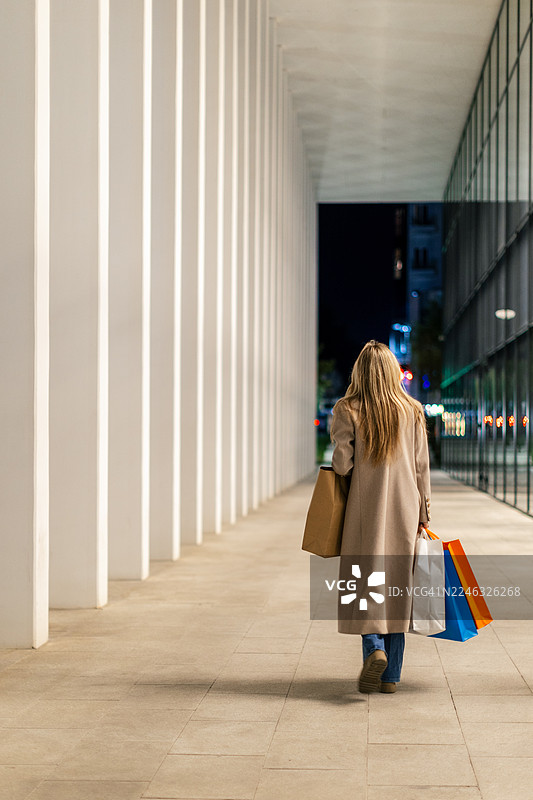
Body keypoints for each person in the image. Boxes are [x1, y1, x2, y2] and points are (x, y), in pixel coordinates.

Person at [330, 340, 431, 694]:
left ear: (360, 371)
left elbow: (342, 465)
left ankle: (374, 647)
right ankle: (390, 678)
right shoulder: (412, 410)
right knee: (397, 586)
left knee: (365, 583)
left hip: (364, 512)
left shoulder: (347, 409)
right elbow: (421, 468)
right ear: (392, 371)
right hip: (405, 509)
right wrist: (424, 512)